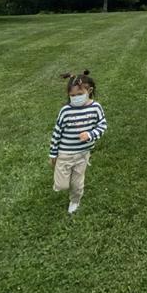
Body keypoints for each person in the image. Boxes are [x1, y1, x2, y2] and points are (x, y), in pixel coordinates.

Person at [49, 72, 107, 214]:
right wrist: (53, 154)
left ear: (89, 91)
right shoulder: (65, 111)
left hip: (82, 154)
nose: (75, 98)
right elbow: (57, 133)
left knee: (77, 184)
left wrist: (90, 134)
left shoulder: (96, 108)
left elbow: (102, 125)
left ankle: (75, 200)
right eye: (72, 96)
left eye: (79, 94)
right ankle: (63, 177)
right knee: (61, 185)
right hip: (65, 153)